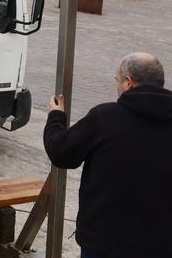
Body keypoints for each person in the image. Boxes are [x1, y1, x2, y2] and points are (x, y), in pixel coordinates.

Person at [44, 53, 171, 258]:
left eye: (117, 81)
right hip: (160, 245)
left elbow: (61, 153)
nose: (117, 86)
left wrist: (55, 116)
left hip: (105, 244)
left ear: (128, 83)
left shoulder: (105, 117)